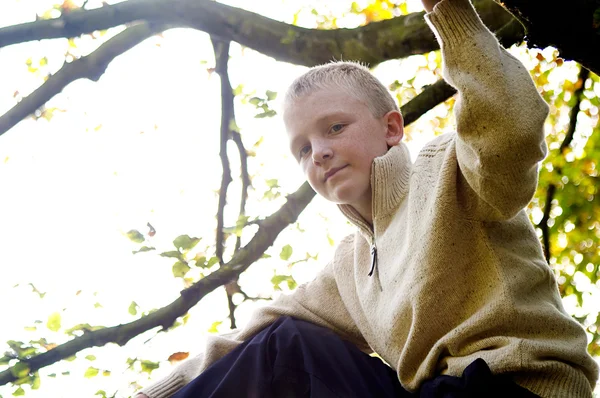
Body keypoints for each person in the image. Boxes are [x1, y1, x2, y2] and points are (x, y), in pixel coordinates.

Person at [136, 0, 599, 396]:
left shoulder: (449, 168)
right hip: (430, 393)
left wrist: (447, 12)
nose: (319, 152)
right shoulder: (349, 267)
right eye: (302, 149)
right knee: (278, 345)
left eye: (335, 127)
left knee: (291, 349)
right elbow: (247, 339)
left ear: (392, 128)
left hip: (513, 386)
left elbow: (509, 128)